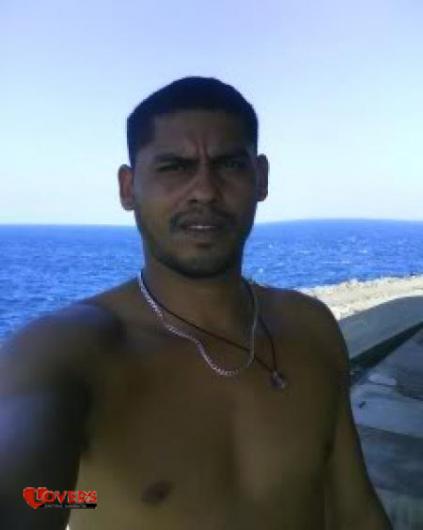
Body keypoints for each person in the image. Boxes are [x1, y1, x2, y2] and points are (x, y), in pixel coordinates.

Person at [0, 76, 393, 530]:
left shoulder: (310, 327)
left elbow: (356, 511)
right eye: (174, 166)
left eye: (229, 164)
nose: (205, 190)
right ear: (128, 187)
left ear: (260, 178)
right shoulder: (72, 350)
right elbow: (21, 480)